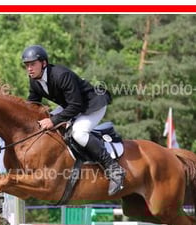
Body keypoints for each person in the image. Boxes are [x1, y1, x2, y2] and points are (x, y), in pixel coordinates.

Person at [22, 44, 125, 196]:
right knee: (46, 122)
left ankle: (114, 169)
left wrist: (53, 121)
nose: (29, 69)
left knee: (78, 133)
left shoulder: (61, 75)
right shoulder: (34, 80)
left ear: (43, 63)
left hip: (92, 105)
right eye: (27, 65)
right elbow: (33, 104)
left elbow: (76, 105)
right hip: (71, 105)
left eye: (32, 64)